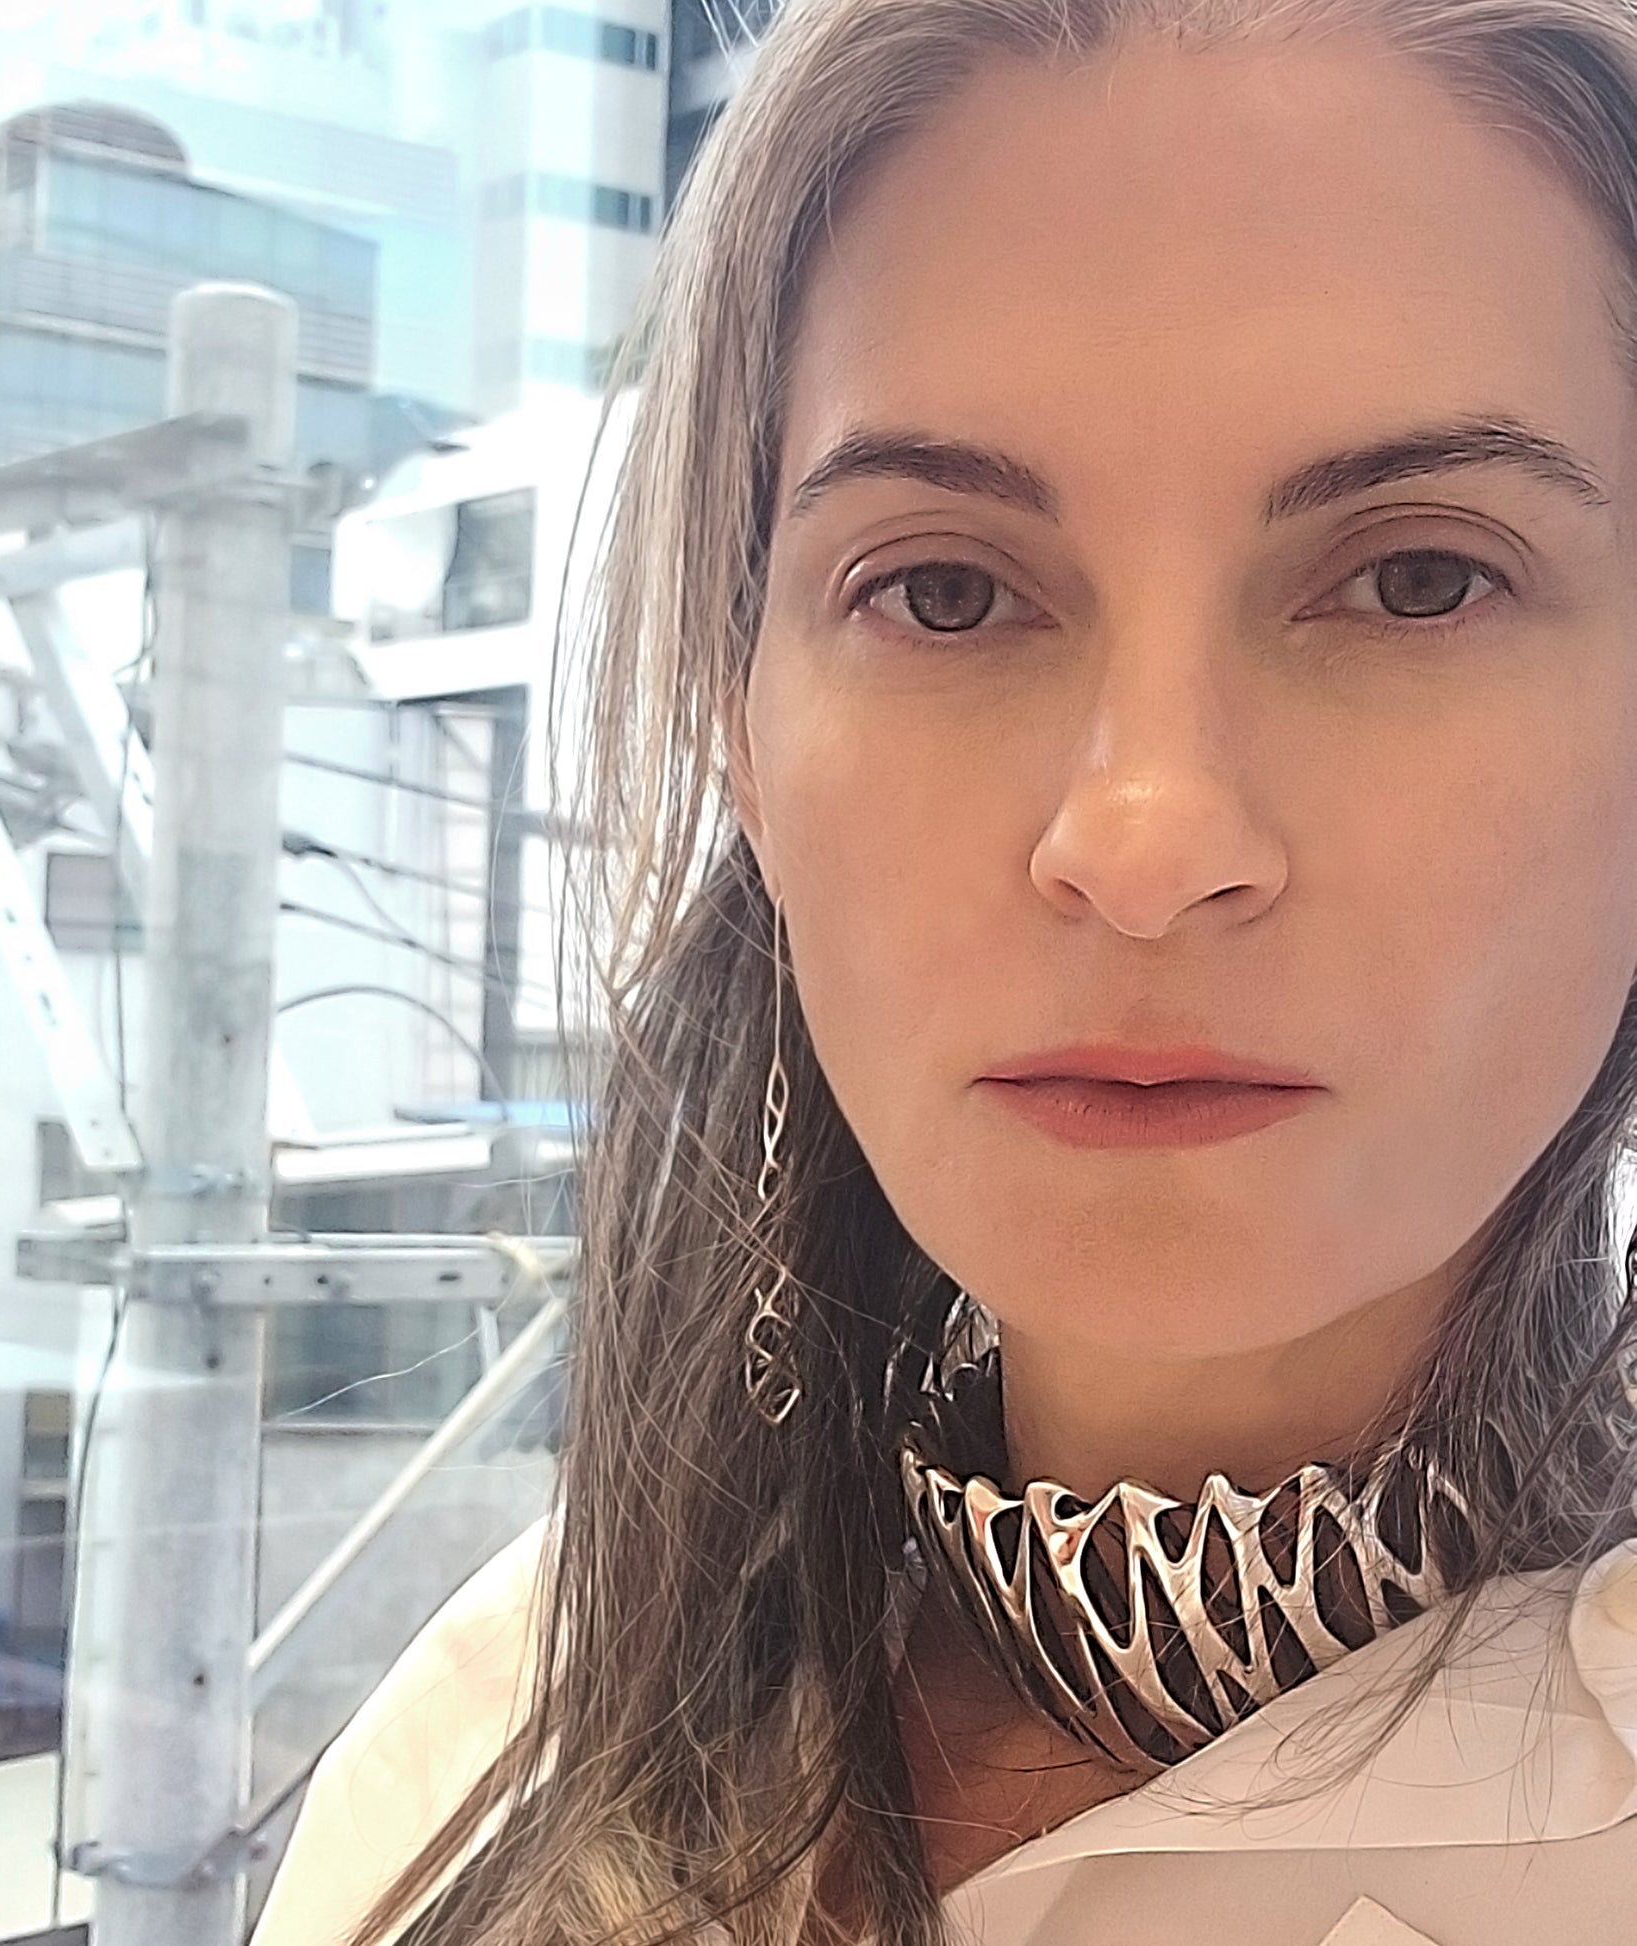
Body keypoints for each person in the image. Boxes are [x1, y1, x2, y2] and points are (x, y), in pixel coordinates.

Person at [253, 0, 1637, 1939]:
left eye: (1415, 578)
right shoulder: (483, 1764)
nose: (1144, 839)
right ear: (737, 726)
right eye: (944, 589)